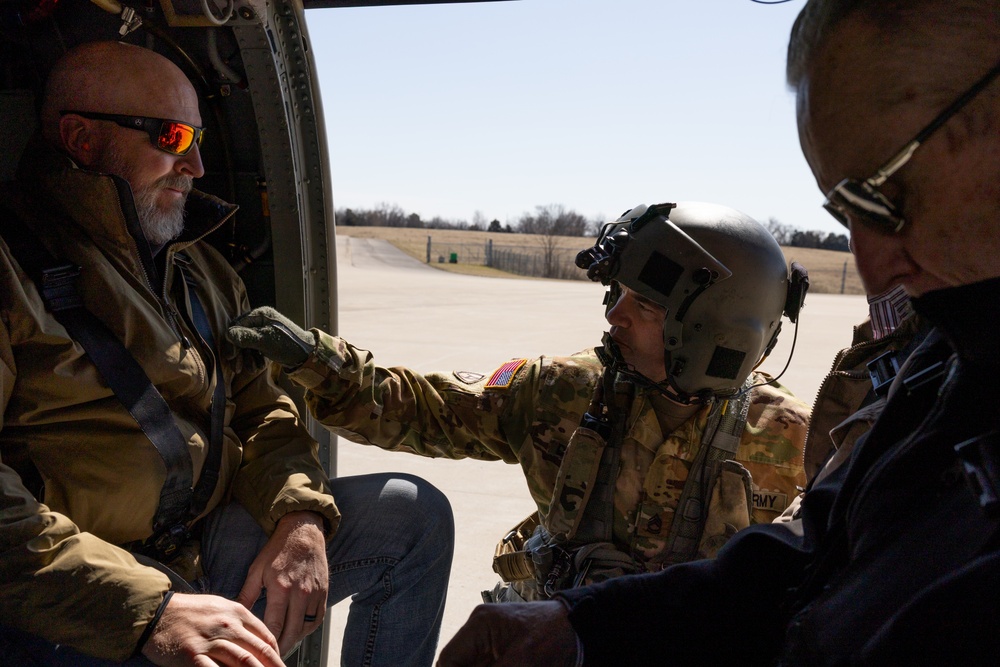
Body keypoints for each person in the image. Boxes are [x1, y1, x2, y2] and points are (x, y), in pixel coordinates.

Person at [434, 1, 1000, 665]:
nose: (875, 272)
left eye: (885, 195)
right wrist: (583, 625)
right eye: (844, 210)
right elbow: (815, 558)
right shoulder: (946, 361)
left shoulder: (802, 418)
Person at [0, 41, 453, 667]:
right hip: (67, 591)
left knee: (412, 516)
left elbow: (262, 413)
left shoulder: (203, 274)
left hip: (197, 551)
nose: (196, 166)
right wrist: (148, 609)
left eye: (198, 140)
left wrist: (300, 516)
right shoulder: (9, 267)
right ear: (80, 138)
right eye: (173, 136)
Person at [227, 200, 811, 604]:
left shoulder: (794, 442)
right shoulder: (561, 389)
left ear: (716, 334)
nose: (615, 315)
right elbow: (420, 410)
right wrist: (315, 360)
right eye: (619, 294)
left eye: (647, 307)